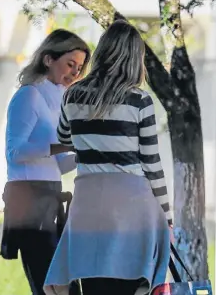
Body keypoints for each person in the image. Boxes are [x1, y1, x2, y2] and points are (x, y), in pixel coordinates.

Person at [43, 20, 173, 295]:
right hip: (132, 206)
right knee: (131, 282)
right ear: (134, 58)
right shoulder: (139, 100)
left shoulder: (73, 95)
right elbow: (151, 164)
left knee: (93, 282)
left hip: (88, 204)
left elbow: (65, 138)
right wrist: (167, 215)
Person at [0, 29, 91, 295]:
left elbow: (57, 164)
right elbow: (15, 152)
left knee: (65, 284)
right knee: (48, 284)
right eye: (70, 64)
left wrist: (86, 153)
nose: (75, 73)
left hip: (50, 198)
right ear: (49, 59)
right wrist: (65, 145)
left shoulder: (58, 100)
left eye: (80, 68)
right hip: (29, 202)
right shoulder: (28, 95)